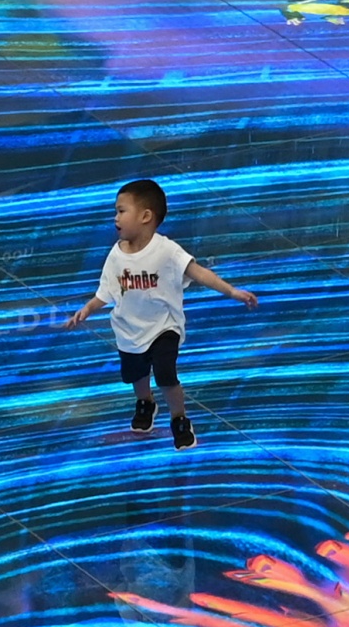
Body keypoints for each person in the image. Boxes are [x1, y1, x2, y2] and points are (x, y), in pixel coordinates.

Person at [65, 179, 256, 452]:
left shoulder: (167, 250)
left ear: (145, 216)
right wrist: (87, 309)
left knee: (166, 373)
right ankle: (146, 403)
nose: (115, 218)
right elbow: (106, 290)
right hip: (129, 330)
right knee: (136, 374)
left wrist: (232, 291)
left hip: (164, 326)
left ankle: (179, 419)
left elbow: (198, 272)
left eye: (121, 211)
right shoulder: (116, 256)